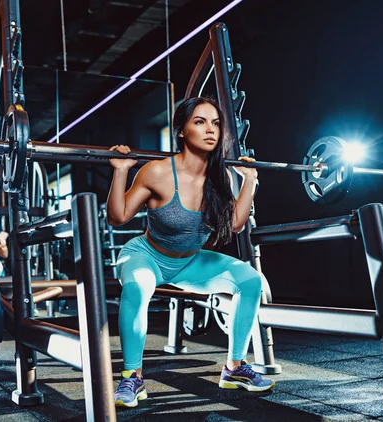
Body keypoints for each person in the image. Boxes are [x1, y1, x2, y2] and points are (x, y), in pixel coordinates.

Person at [107, 97, 274, 408]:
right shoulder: (157, 172)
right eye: (200, 122)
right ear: (181, 131)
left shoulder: (220, 177)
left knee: (251, 281)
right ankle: (132, 376)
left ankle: (235, 368)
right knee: (137, 287)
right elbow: (118, 216)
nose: (210, 130)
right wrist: (120, 172)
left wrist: (250, 181)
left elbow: (237, 225)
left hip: (191, 262)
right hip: (147, 256)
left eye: (215, 123)